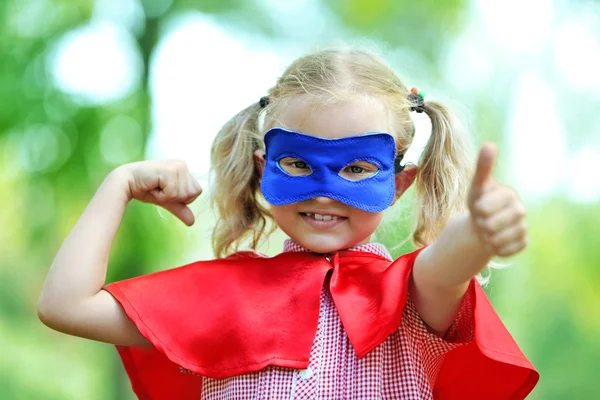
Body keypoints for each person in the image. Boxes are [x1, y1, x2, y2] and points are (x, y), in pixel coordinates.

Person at [37, 48, 539, 399]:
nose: (323, 190)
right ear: (263, 167)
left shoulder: (406, 294)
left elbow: (446, 265)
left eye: (357, 168)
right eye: (298, 164)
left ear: (399, 184)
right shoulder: (220, 293)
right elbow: (66, 305)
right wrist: (119, 184)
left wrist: (478, 230)